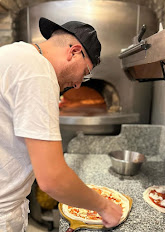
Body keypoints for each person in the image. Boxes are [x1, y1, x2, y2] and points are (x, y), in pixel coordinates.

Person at [0, 17, 122, 231]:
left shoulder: (14, 54)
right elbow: (52, 179)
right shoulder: (37, 71)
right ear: (74, 51)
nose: (77, 85)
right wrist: (104, 207)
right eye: (84, 74)